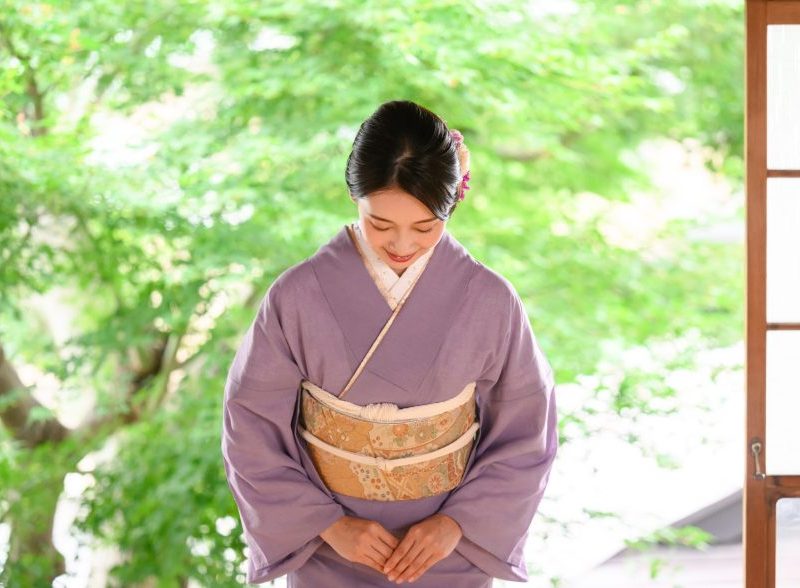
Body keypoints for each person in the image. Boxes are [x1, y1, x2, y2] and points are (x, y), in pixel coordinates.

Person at [221, 100, 558, 587]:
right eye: (380, 224)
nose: (402, 244)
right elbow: (249, 422)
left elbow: (528, 429)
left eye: (425, 227)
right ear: (355, 198)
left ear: (451, 205)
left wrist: (456, 524)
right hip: (332, 554)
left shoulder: (490, 300)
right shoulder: (296, 296)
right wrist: (329, 525)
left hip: (449, 557)